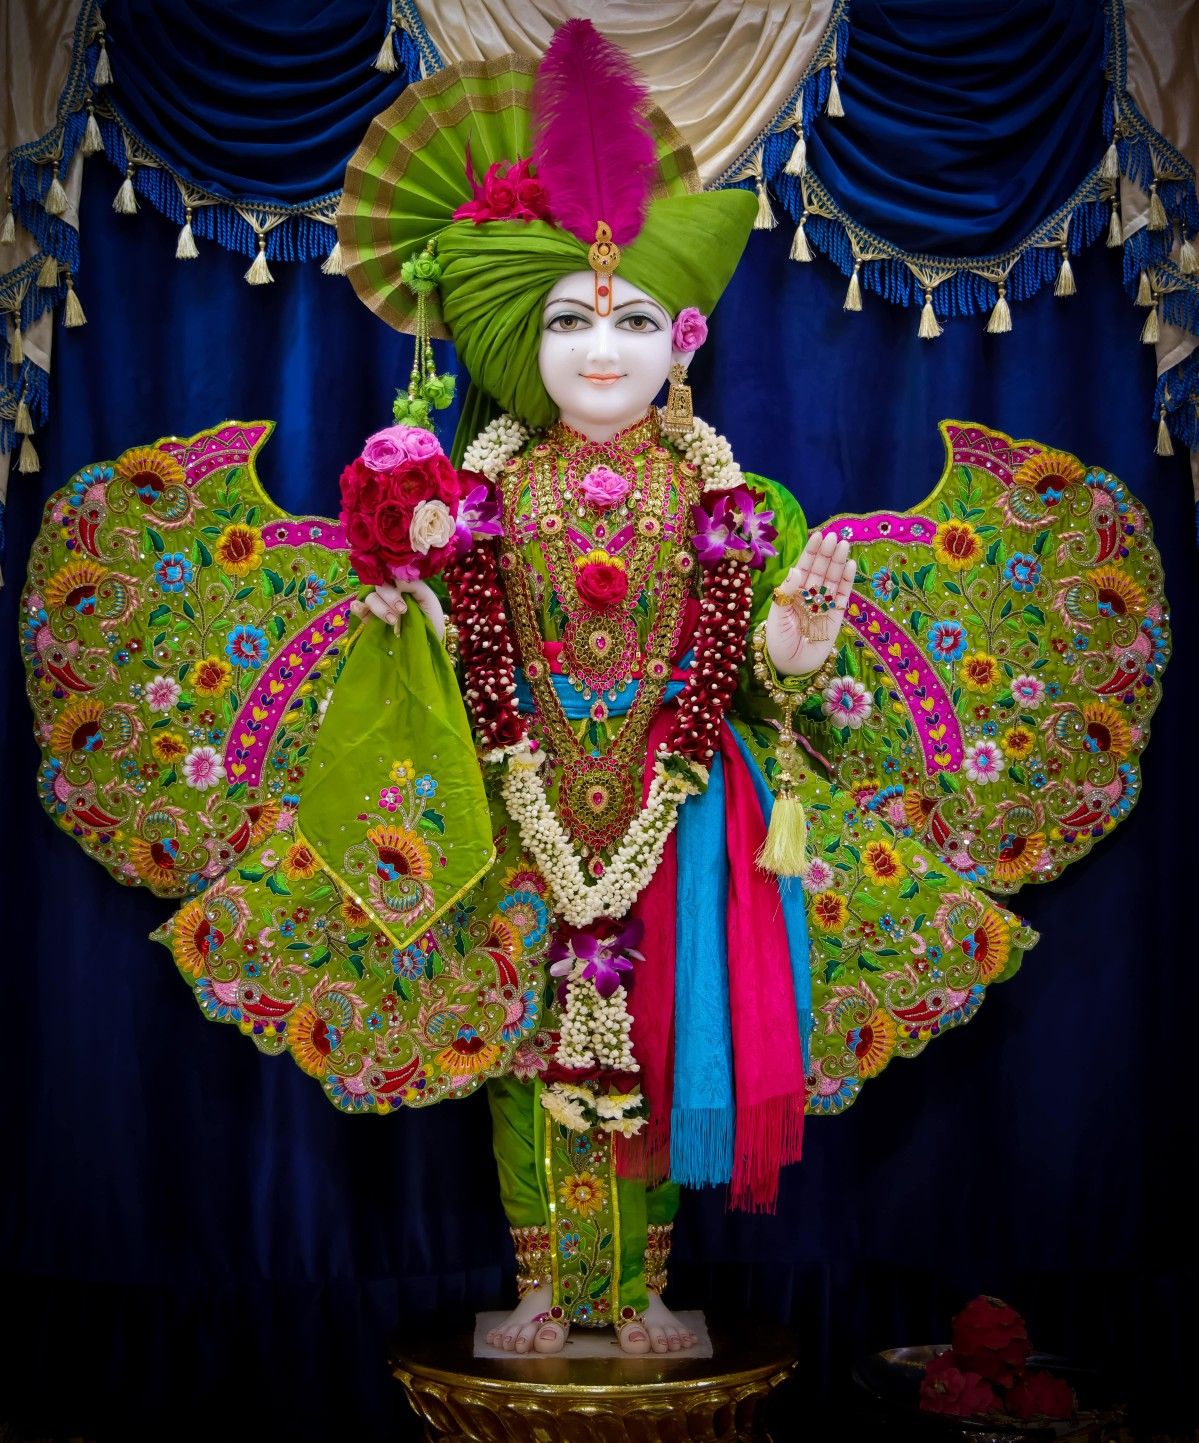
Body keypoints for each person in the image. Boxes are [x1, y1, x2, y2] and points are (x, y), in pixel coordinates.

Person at [22, 20, 1167, 1360]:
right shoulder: (475, 493)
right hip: (514, 805)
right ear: (525, 339)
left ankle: (643, 1294)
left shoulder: (737, 500)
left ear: (681, 335)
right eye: (570, 320)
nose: (603, 349)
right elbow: (454, 645)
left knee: (668, 1042)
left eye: (630, 320)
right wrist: (403, 613)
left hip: (685, 813)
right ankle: (542, 1290)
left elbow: (759, 667)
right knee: (525, 1048)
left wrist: (797, 646)